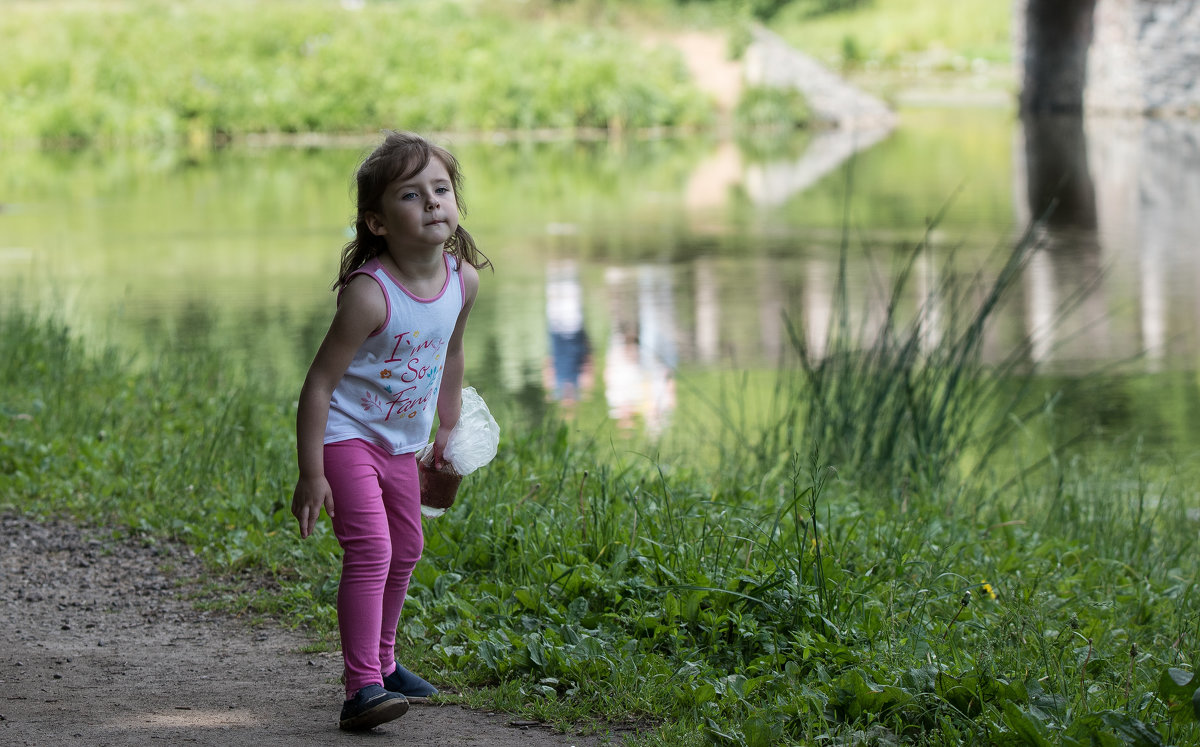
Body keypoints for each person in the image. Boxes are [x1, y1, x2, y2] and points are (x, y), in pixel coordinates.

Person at [290, 131, 489, 731]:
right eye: (411, 194)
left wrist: (446, 434)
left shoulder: (463, 281)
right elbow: (319, 385)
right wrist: (310, 473)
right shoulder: (370, 295)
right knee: (372, 550)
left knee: (408, 548)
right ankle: (361, 689)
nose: (432, 202)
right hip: (348, 438)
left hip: (403, 443)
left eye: (441, 189)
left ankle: (386, 662)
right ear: (377, 222)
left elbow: (451, 358)